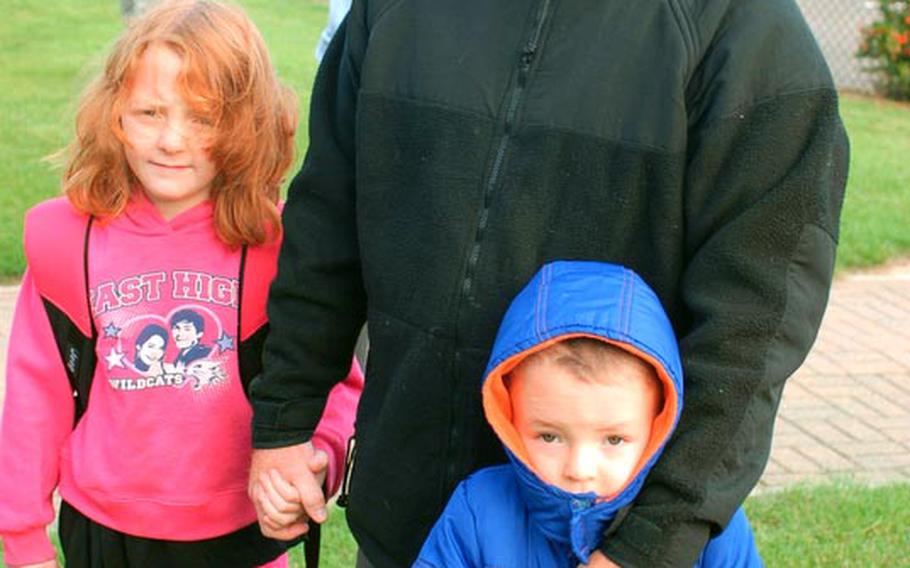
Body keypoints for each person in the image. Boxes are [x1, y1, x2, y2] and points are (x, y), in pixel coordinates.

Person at [248, 0, 849, 566]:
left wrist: (651, 542)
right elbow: (327, 216)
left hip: (601, 541)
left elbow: (757, 322)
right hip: (401, 522)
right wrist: (285, 419)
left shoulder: (739, 25)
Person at [0, 2, 363, 567]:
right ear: (114, 112)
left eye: (203, 117)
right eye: (149, 112)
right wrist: (23, 540)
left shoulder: (281, 248)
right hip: (103, 530)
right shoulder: (66, 240)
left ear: (247, 124)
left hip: (240, 534)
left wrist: (319, 455)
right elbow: (35, 397)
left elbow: (335, 380)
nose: (172, 140)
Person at [414, 261, 762, 567]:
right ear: (510, 418)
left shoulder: (701, 522)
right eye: (549, 436)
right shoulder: (479, 508)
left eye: (614, 439)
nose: (579, 470)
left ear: (658, 424)